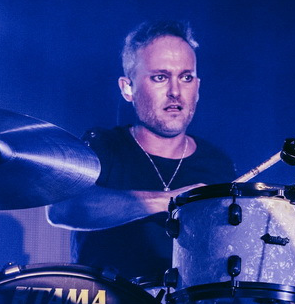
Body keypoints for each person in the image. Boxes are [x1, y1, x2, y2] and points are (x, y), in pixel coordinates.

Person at [46, 20, 235, 285]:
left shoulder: (217, 164)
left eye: (186, 77)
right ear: (128, 88)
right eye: (160, 77)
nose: (175, 92)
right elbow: (63, 209)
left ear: (198, 87)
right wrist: (171, 201)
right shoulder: (104, 146)